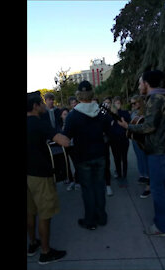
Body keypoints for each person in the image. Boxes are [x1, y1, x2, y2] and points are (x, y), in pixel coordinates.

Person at [117, 70, 165, 237]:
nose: (139, 85)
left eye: (141, 82)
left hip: (158, 150)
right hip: (164, 148)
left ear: (147, 83)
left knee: (157, 188)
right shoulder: (161, 97)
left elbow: (149, 126)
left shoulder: (155, 99)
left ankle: (161, 226)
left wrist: (128, 127)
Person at [27, 91, 69, 264]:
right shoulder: (39, 123)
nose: (44, 105)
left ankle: (32, 244)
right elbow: (64, 142)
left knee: (30, 212)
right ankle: (45, 252)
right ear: (36, 106)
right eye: (42, 103)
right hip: (40, 175)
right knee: (45, 213)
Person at [63, 81, 111, 230]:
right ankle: (101, 216)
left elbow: (66, 136)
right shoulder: (101, 112)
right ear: (92, 94)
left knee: (88, 189)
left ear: (78, 95)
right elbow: (109, 130)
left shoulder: (73, 115)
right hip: (100, 154)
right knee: (99, 186)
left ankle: (90, 220)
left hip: (82, 157)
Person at [129, 95, 151, 198]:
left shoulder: (146, 112)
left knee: (146, 160)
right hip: (135, 140)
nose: (133, 105)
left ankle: (149, 184)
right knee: (139, 158)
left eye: (135, 103)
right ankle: (143, 176)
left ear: (140, 102)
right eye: (131, 103)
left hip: (143, 141)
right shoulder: (133, 112)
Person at [108, 96, 131, 187]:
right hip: (114, 140)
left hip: (124, 139)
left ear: (121, 103)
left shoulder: (124, 113)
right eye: (115, 102)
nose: (117, 104)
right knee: (116, 159)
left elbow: (127, 123)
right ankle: (119, 175)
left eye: (119, 102)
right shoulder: (110, 114)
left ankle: (124, 176)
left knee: (124, 158)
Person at [101, 97, 113, 196]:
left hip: (104, 143)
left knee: (106, 163)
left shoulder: (105, 114)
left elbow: (109, 123)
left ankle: (108, 185)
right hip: (95, 144)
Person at [59, 108, 74, 185]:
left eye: (67, 114)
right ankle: (70, 179)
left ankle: (78, 180)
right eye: (64, 114)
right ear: (61, 116)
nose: (66, 116)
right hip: (64, 146)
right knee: (66, 163)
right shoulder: (60, 125)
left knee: (76, 163)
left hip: (73, 145)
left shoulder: (72, 123)